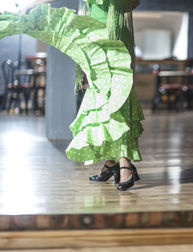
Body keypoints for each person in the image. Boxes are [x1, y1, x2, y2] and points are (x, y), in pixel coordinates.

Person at [26, 0, 144, 191]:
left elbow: (135, 3)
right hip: (92, 39)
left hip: (115, 36)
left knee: (119, 97)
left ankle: (124, 162)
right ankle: (113, 163)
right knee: (102, 99)